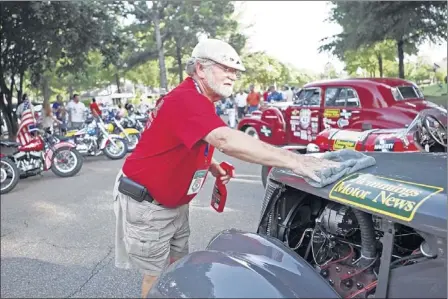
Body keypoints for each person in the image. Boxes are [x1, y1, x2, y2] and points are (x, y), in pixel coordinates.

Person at [112, 38, 339, 298]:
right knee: (154, 278)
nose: (233, 76)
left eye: (235, 71)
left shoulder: (198, 99)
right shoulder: (186, 99)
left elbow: (182, 143)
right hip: (150, 206)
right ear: (200, 69)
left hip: (172, 203)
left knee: (177, 266)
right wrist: (297, 161)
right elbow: (224, 139)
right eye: (225, 68)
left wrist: (212, 165)